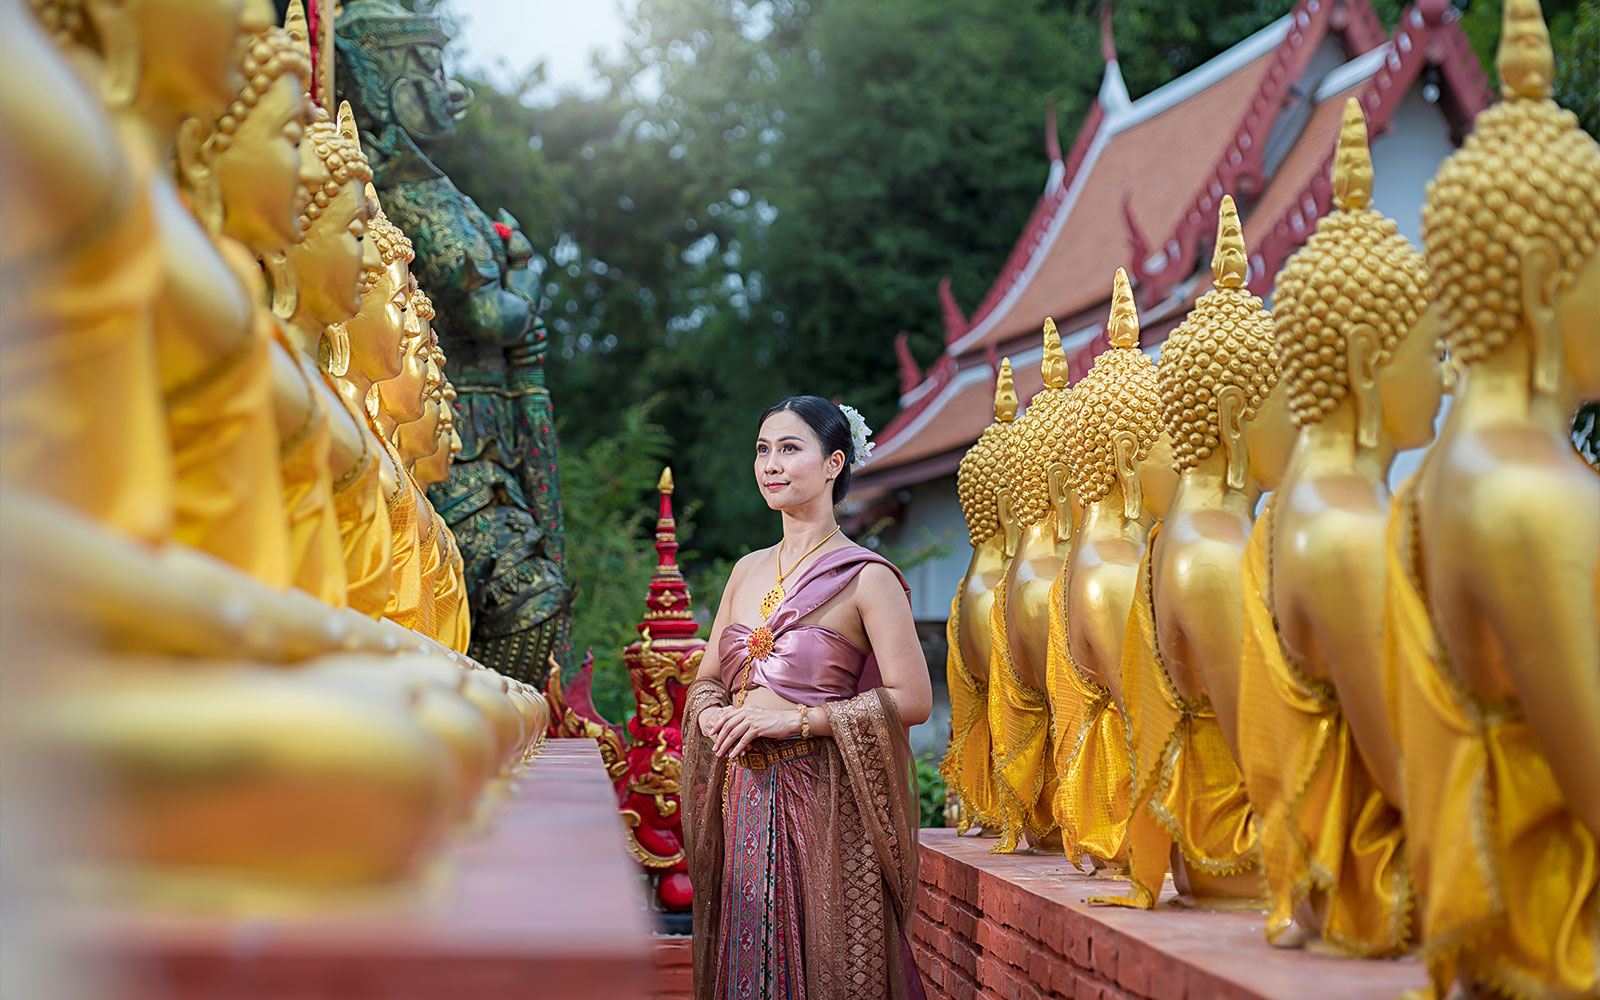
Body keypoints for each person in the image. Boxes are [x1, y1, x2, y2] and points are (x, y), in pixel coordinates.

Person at [682, 395, 932, 1000]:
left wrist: (795, 722)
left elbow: (913, 699)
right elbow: (708, 677)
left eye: (790, 449)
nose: (771, 464)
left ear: (832, 464)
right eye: (763, 450)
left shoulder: (866, 576)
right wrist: (712, 710)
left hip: (822, 802)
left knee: (825, 967)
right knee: (748, 960)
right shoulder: (746, 571)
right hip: (740, 801)